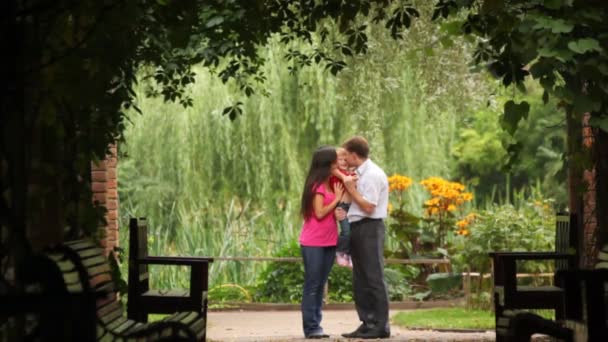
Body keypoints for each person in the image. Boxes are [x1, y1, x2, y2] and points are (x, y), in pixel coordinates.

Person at [335, 136, 391, 339]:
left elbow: (369, 207)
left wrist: (351, 189)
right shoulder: (358, 174)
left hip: (370, 228)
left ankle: (381, 325)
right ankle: (367, 322)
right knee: (360, 277)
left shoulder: (373, 174)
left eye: (345, 155)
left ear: (353, 154)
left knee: (373, 276)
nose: (344, 159)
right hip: (356, 226)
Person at [299, 145, 345, 339]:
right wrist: (336, 200)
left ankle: (317, 324)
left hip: (329, 241)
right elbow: (319, 214)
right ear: (327, 163)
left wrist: (338, 211)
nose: (339, 162)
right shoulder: (317, 186)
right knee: (313, 284)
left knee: (320, 283)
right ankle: (311, 327)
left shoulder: (329, 183)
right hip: (313, 243)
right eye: (336, 160)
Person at [329, 147, 356, 268]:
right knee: (346, 231)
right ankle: (340, 252)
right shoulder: (335, 172)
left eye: (346, 159)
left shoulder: (349, 173)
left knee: (353, 232)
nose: (344, 162)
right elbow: (347, 178)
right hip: (341, 206)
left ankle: (349, 254)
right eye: (341, 159)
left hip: (351, 206)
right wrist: (350, 175)